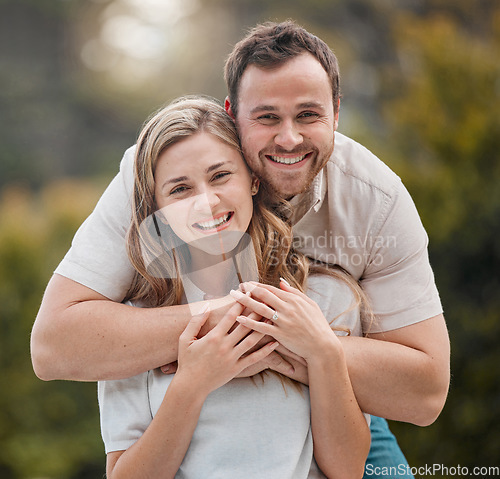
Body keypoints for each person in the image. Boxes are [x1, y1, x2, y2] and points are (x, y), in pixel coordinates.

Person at [31, 20, 450, 477]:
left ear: (336, 112)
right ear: (233, 114)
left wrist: (314, 348)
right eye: (267, 117)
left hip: (341, 387)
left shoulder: (377, 200)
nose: (289, 139)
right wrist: (241, 325)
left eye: (308, 115)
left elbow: (425, 393)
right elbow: (53, 347)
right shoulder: (153, 168)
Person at [99, 95, 370, 478]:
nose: (206, 202)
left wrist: (325, 353)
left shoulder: (326, 298)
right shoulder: (136, 331)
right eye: (180, 190)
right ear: (155, 209)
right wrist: (192, 384)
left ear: (254, 180)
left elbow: (348, 469)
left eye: (220, 176)